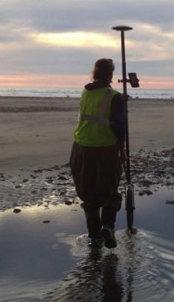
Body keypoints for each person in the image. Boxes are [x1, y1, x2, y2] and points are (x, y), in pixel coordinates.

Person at [70, 58, 126, 249]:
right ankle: (108, 227)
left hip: (81, 148)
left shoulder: (86, 92)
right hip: (105, 149)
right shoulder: (114, 97)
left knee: (89, 194)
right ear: (111, 75)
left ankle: (94, 237)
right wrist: (121, 148)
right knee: (109, 191)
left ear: (95, 73)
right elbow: (120, 127)